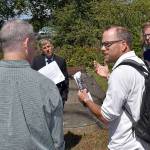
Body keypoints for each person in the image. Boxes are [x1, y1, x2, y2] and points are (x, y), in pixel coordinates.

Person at [78, 26, 150, 150]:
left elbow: (105, 117)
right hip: (143, 140)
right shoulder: (141, 64)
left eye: (107, 44)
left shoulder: (120, 73)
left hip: (126, 144)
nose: (102, 49)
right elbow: (131, 89)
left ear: (123, 45)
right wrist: (108, 76)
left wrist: (86, 100)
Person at [0, 19, 64, 150]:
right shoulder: (47, 86)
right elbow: (57, 142)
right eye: (35, 45)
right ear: (26, 43)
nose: (35, 50)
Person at [31, 39, 69, 107]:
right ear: (42, 50)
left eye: (48, 46)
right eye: (44, 48)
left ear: (52, 46)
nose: (47, 49)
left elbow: (65, 80)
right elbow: (32, 78)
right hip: (42, 97)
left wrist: (64, 97)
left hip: (57, 96)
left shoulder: (61, 61)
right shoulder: (36, 61)